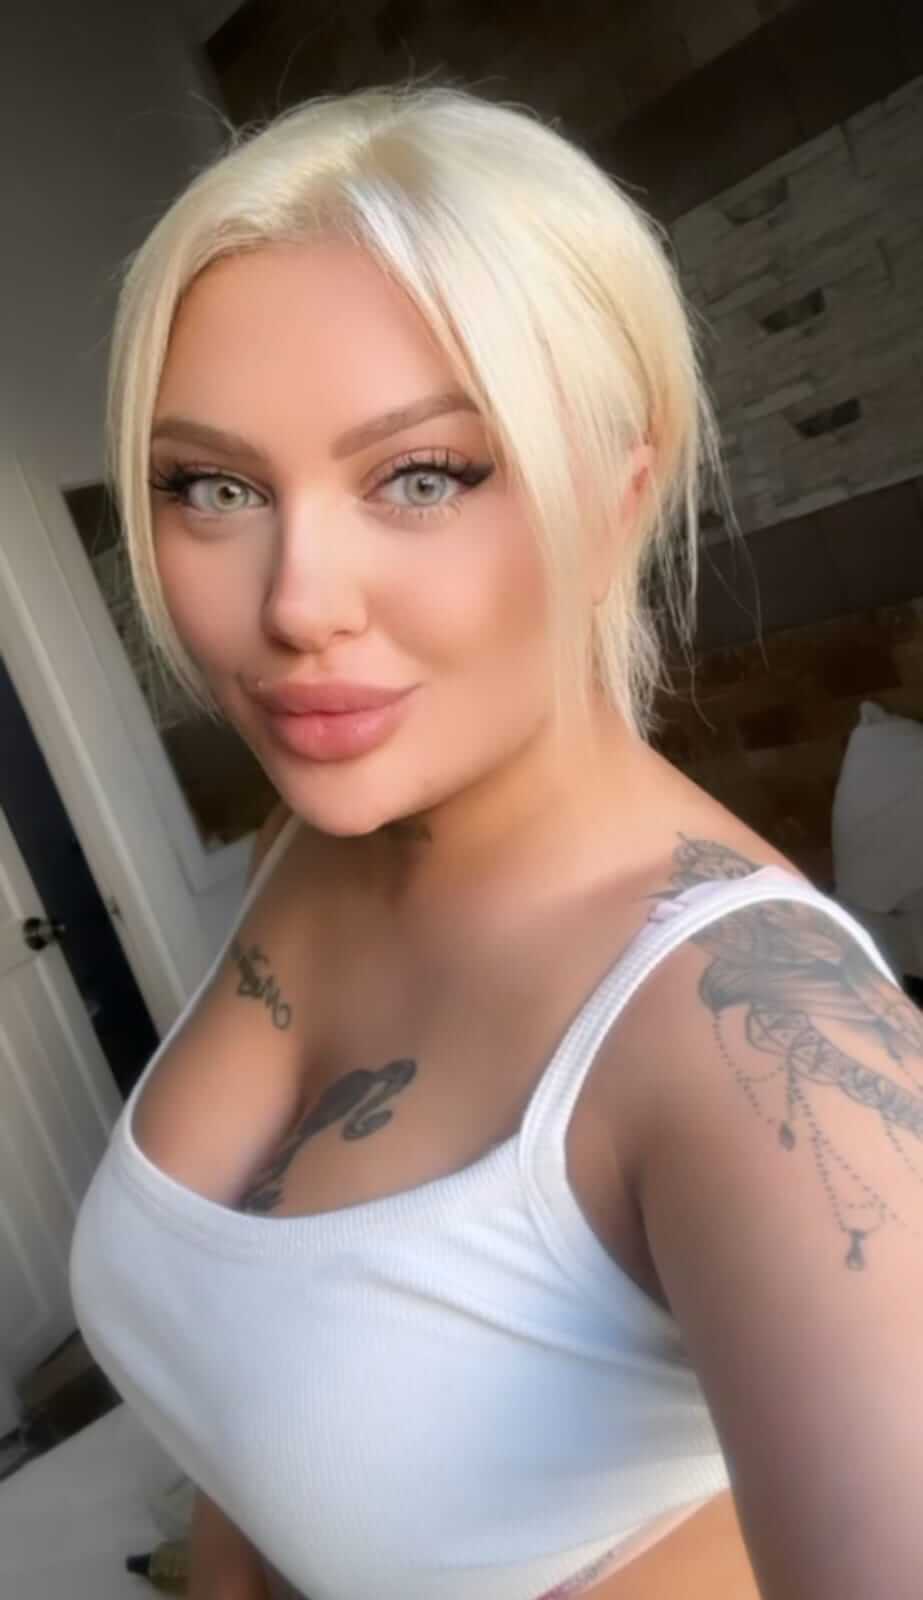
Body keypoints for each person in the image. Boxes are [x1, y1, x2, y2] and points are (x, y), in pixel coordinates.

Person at [68, 81, 923, 1600]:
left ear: (618, 498)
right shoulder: (307, 836)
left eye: (421, 477)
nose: (296, 604)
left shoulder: (745, 1049)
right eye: (216, 487)